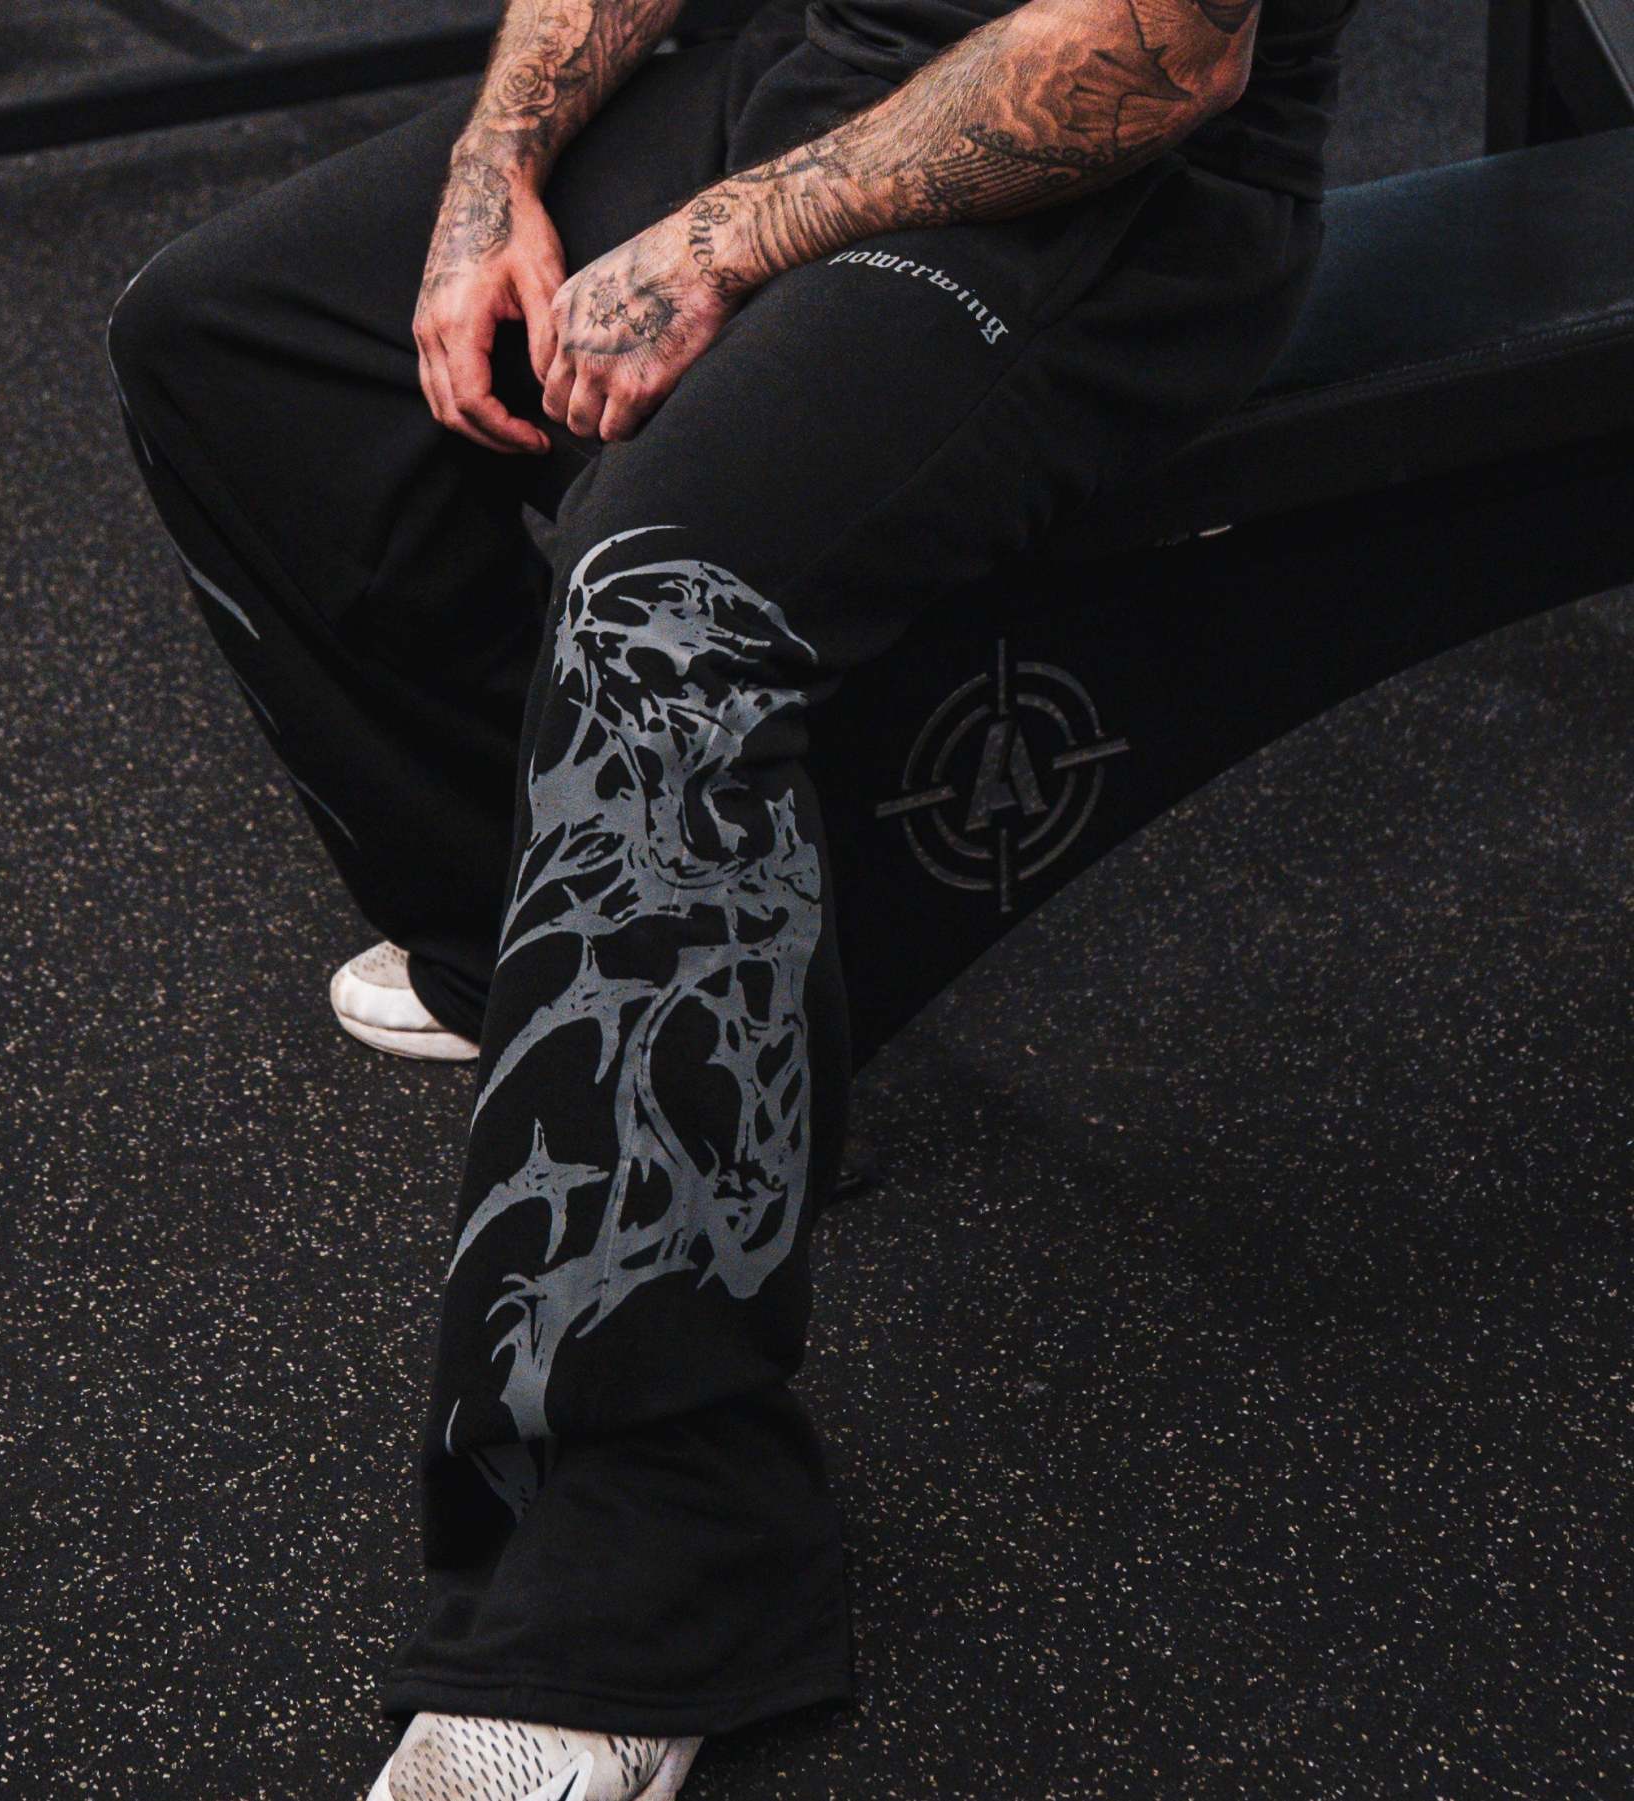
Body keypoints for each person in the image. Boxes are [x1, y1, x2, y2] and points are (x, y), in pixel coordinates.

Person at [103, 0, 1360, 1793]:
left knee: (662, 594)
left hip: (1110, 182)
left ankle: (661, 1569)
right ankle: (558, 958)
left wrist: (712, 244)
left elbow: (1159, 52)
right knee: (231, 342)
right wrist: (493, 168)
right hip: (812, 64)